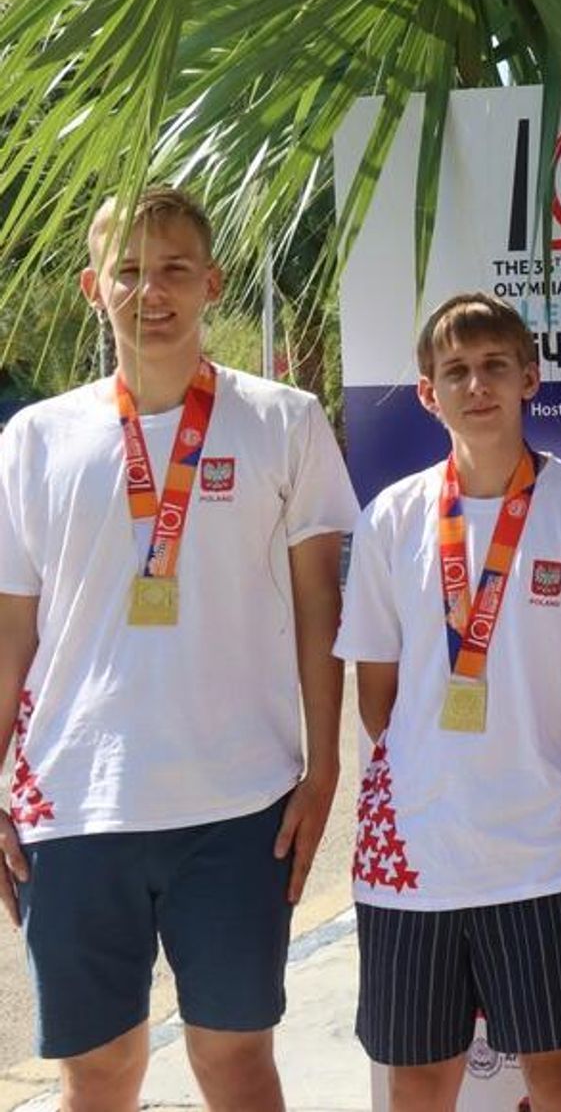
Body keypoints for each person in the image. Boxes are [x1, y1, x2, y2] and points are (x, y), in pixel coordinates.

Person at [0, 186, 357, 1111]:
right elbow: (11, 633)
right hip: (75, 803)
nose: (149, 292)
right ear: (93, 287)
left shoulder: (285, 419)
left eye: (173, 270)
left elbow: (321, 608)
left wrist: (324, 769)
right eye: (128, 271)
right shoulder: (35, 439)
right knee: (99, 1072)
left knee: (235, 1061)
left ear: (212, 284)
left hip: (239, 801)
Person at [334, 293, 561, 1112]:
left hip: (544, 852)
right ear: (427, 393)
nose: (477, 385)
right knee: (421, 1080)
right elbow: (377, 698)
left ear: (529, 377)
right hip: (415, 855)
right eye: (456, 371)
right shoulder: (392, 518)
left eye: (495, 365)